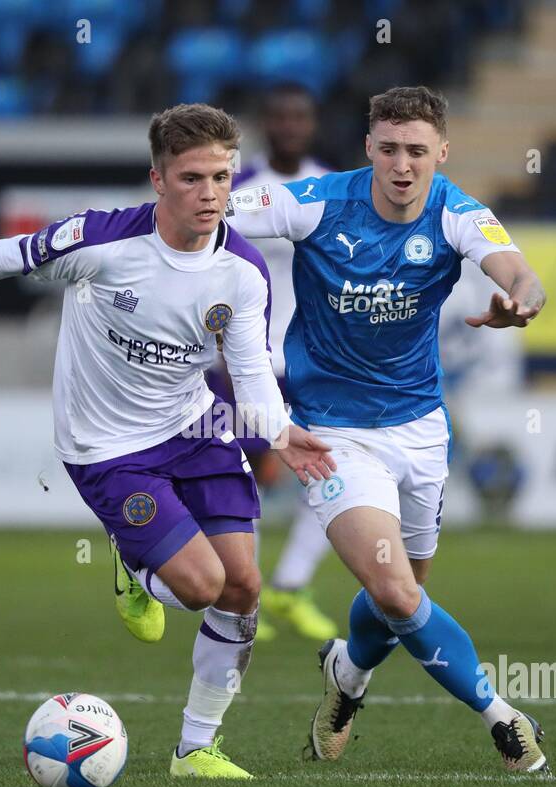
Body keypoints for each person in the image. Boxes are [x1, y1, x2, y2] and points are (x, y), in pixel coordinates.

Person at [0, 103, 335, 779]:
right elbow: (11, 255)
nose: (210, 193)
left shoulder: (242, 273)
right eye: (192, 178)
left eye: (220, 177)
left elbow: (250, 376)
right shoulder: (101, 242)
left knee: (242, 586)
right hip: (106, 445)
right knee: (202, 585)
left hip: (194, 422)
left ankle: (195, 751)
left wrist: (278, 432)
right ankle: (133, 562)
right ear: (157, 180)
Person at [224, 86, 551, 772]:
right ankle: (504, 720)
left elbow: (520, 271)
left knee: (402, 601)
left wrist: (519, 302)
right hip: (335, 435)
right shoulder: (315, 201)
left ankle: (346, 676)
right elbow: (208, 208)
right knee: (400, 594)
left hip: (422, 431)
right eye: (391, 149)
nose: (403, 165)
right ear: (369, 147)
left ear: (442, 154)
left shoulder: (457, 211)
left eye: (418, 152)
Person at [213, 82, 339, 644]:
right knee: (246, 479)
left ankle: (291, 585)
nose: (290, 125)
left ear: (311, 123)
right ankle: (253, 595)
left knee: (332, 471)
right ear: (264, 124)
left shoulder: (332, 187)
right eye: (280, 116)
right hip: (245, 359)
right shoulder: (238, 190)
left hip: (312, 359)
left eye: (300, 115)